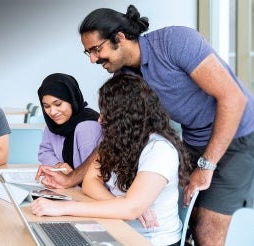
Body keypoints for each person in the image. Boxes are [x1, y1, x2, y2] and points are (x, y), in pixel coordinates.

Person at [36, 4, 254, 245]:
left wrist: (205, 166)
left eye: (96, 50)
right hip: (194, 139)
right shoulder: (125, 77)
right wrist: (72, 178)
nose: (93, 59)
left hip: (236, 135)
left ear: (119, 38)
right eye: (87, 53)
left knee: (207, 229)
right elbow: (114, 136)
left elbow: (233, 99)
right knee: (188, 220)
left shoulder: (175, 41)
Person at [31, 74, 192, 246]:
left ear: (127, 116)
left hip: (148, 241)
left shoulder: (159, 150)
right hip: (118, 228)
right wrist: (121, 205)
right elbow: (90, 182)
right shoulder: (117, 140)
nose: (100, 120)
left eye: (107, 113)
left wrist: (61, 208)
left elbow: (130, 209)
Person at [37, 73, 102, 173]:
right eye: (46, 106)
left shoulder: (87, 127)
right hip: (67, 186)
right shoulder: (52, 125)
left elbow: (93, 172)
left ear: (72, 99)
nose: (52, 112)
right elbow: (44, 152)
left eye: (58, 104)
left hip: (85, 186)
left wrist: (71, 177)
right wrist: (59, 165)